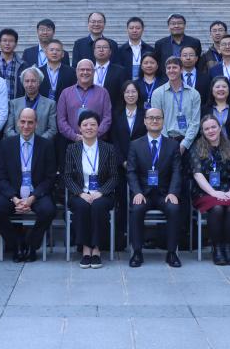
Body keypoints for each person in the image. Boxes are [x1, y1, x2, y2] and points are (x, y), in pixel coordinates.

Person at [0, 108, 57, 262]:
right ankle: (17, 244)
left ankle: (31, 245)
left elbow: (50, 178)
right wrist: (14, 198)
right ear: (18, 122)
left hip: (37, 194)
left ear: (36, 124)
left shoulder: (46, 145)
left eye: (30, 122)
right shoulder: (6, 145)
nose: (26, 126)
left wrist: (33, 198)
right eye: (23, 122)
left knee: (49, 210)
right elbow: (0, 176)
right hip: (13, 194)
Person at [127, 107, 182, 267]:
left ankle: (171, 253)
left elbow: (177, 171)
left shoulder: (172, 145)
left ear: (163, 121)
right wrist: (136, 192)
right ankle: (137, 252)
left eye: (158, 118)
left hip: (164, 193)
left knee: (174, 208)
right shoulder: (135, 145)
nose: (154, 120)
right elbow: (131, 172)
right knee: (136, 209)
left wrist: (173, 192)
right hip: (143, 193)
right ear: (144, 121)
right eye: (150, 118)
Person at [63, 110, 120, 269]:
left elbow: (114, 177)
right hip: (79, 193)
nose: (89, 128)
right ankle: (85, 249)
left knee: (98, 206)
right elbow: (67, 176)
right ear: (79, 128)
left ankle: (96, 249)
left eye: (93, 124)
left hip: (102, 193)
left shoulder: (108, 148)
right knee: (81, 207)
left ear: (98, 127)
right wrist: (81, 193)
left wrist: (100, 192)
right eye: (85, 125)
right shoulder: (72, 149)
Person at [190, 115, 230, 265]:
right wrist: (213, 193)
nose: (211, 131)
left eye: (214, 127)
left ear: (220, 128)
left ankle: (228, 248)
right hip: (205, 192)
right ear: (203, 132)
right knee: (218, 208)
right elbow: (197, 174)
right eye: (207, 129)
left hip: (229, 189)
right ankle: (217, 249)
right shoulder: (197, 148)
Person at [110, 80, 147, 250]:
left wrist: (135, 163)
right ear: (123, 94)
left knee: (137, 201)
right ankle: (120, 237)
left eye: (133, 92)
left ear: (138, 94)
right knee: (121, 202)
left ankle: (137, 237)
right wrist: (122, 161)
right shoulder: (116, 114)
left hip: (140, 167)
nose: (130, 95)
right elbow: (114, 141)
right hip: (121, 166)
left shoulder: (145, 114)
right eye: (127, 92)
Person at [150, 56, 202, 155]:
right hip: (165, 142)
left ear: (181, 70)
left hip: (188, 143)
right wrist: (167, 143)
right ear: (165, 71)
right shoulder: (157, 93)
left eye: (174, 67)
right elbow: (156, 120)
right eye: (168, 68)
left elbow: (195, 122)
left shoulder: (194, 94)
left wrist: (184, 144)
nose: (171, 70)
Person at [56, 59, 113, 144]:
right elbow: (61, 120)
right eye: (82, 70)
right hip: (71, 143)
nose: (85, 72)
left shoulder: (103, 92)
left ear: (94, 72)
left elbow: (107, 118)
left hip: (97, 142)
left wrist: (93, 135)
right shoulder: (65, 93)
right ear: (76, 72)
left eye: (88, 70)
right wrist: (74, 136)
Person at [201, 76, 230, 160]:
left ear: (229, 89)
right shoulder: (204, 110)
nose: (221, 89)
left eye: (224, 86)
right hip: (208, 153)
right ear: (212, 90)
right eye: (217, 87)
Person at [4, 66, 57, 140]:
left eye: (33, 81)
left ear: (39, 82)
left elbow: (52, 130)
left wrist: (37, 143)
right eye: (27, 81)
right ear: (23, 83)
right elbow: (8, 129)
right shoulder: (13, 104)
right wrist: (20, 142)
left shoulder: (50, 104)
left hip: (40, 148)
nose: (30, 84)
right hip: (18, 148)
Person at [92, 37, 127, 110]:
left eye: (105, 47)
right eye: (98, 47)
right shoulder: (88, 69)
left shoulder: (120, 71)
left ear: (110, 51)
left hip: (112, 111)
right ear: (94, 51)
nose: (101, 50)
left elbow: (122, 95)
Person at [0, 28, 26, 100]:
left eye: (11, 41)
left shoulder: (23, 65)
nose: (7, 44)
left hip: (15, 106)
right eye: (4, 41)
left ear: (16, 44)